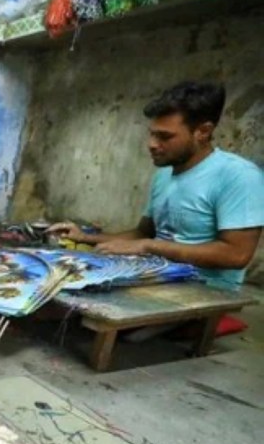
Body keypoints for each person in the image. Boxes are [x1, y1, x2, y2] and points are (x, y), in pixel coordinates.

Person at [49, 81, 264, 290]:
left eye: (164, 136)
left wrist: (150, 246)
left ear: (203, 132)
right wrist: (85, 237)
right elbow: (143, 233)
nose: (151, 144)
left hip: (205, 292)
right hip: (152, 277)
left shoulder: (238, 176)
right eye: (152, 133)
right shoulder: (164, 174)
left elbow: (237, 254)